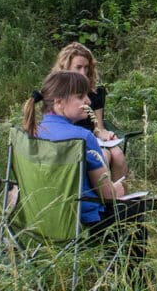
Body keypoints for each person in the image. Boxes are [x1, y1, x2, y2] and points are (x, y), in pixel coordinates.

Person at [22, 69, 148, 261]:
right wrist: (119, 188)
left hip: (38, 220)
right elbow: (107, 195)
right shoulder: (82, 138)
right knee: (134, 208)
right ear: (59, 102)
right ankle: (127, 274)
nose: (88, 101)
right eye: (80, 97)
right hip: (79, 223)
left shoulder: (30, 134)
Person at [53, 41, 129, 187]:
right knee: (103, 156)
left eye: (86, 67)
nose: (83, 73)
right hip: (71, 140)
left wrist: (106, 134)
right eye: (78, 67)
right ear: (66, 67)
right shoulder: (57, 93)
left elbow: (98, 127)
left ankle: (118, 197)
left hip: (93, 137)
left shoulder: (95, 92)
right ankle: (97, 195)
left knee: (118, 155)